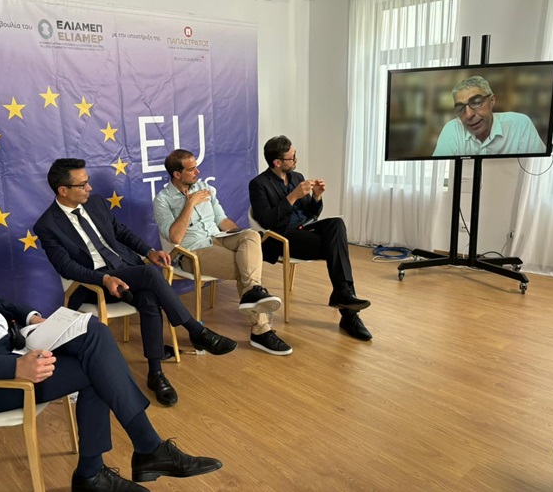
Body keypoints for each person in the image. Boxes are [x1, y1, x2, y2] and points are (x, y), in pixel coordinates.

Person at [0, 163, 223, 492]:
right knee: (97, 368)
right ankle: (112, 465)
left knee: (94, 332)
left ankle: (136, 454)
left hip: (9, 343)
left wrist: (29, 317)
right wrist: (13, 367)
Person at [34, 158, 237, 408]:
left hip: (125, 270)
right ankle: (196, 330)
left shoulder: (95, 203)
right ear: (63, 190)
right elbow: (66, 267)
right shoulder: (47, 225)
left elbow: (121, 232)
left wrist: (149, 251)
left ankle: (156, 373)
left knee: (149, 298)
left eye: (88, 182)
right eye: (83, 185)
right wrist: (104, 278)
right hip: (93, 284)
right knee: (150, 275)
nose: (89, 188)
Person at [153, 149, 292, 356]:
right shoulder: (162, 200)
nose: (198, 172)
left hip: (219, 238)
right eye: (192, 169)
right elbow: (175, 237)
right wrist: (190, 204)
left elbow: (222, 220)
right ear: (177, 174)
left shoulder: (204, 188)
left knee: (251, 235)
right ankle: (261, 330)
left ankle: (253, 291)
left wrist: (243, 240)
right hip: (193, 251)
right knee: (245, 268)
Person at [248, 135, 373, 341]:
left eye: (295, 155)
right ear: (277, 162)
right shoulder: (258, 184)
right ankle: (349, 314)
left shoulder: (297, 177)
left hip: (304, 229)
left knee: (337, 224)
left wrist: (316, 196)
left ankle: (343, 295)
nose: (295, 160)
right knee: (336, 248)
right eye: (291, 157)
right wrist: (292, 197)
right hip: (281, 236)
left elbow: (311, 214)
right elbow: (267, 220)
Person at [432, 75, 546, 157]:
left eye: (476, 102)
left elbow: (536, 168)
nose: (469, 115)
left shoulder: (520, 125)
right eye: (460, 108)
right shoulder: (452, 129)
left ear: (492, 101)